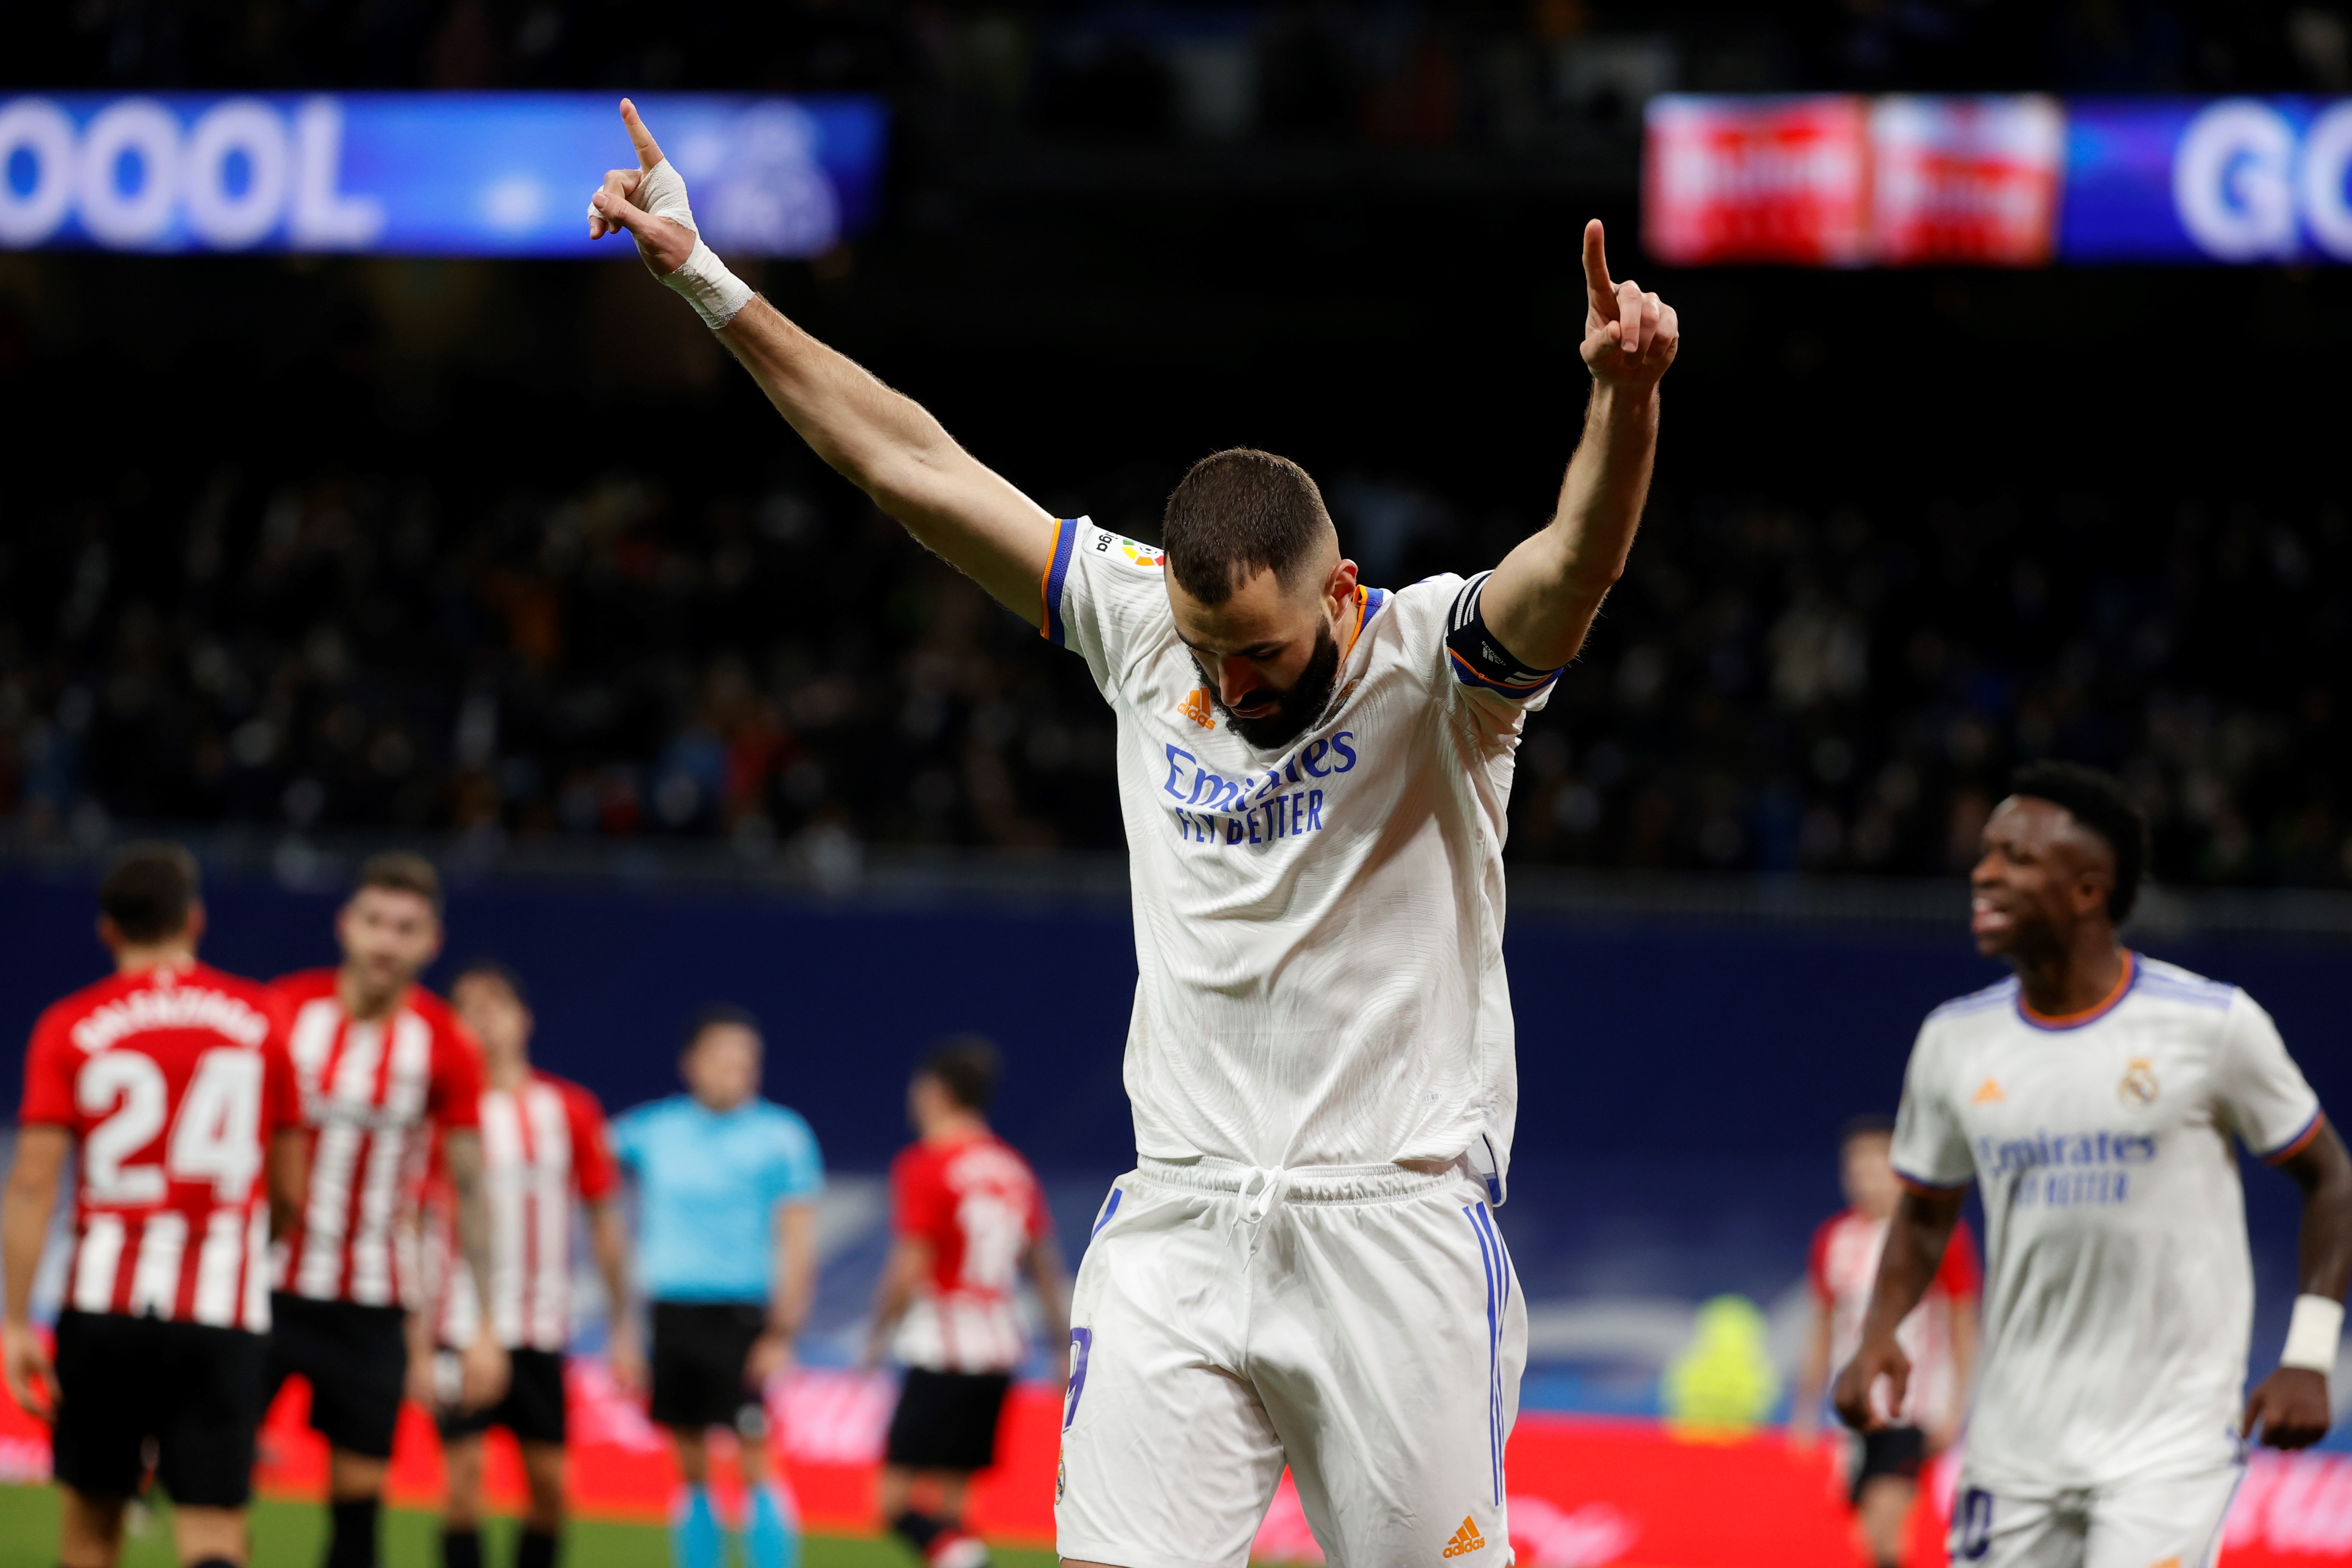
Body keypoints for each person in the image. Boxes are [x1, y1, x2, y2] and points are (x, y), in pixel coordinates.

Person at [588, 91, 1678, 1566]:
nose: (1229, 688)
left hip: (1394, 1229)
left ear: (1341, 593)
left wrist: (1623, 403)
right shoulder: (1134, 619)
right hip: (1179, 1219)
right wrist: (707, 281)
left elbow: (1571, 564)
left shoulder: (1438, 670)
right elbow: (907, 461)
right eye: (1205, 652)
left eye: (1267, 657)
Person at [1834, 762, 2352, 1568]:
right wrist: (1876, 1331)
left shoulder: (2210, 1025)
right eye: (1985, 852)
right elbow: (1925, 1210)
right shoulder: (1953, 1041)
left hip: (2168, 1440)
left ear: (2086, 889)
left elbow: (2330, 1175)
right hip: (2015, 1439)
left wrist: (2310, 1353)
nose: (1984, 872)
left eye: (2016, 856)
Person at [1, 842, 307, 1568]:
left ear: (108, 929)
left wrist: (16, 1320)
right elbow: (291, 1188)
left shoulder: (71, 1024)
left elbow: (32, 1185)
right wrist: (245, 1254)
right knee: (213, 1531)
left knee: (92, 1530)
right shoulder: (261, 1020)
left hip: (104, 1307)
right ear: (194, 920)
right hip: (222, 1310)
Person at [264, 851, 509, 1568]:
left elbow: (469, 1188)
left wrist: (486, 1324)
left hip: (371, 1300)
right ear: (345, 924)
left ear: (430, 942)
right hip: (263, 1286)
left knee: (357, 1505)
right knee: (216, 1495)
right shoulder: (283, 1010)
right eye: (374, 921)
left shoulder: (444, 1044)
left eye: (405, 928)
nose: (385, 941)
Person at [420, 959, 641, 1568]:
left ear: (526, 1019)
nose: (485, 1019)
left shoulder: (568, 1110)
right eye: (469, 1007)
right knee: (461, 1487)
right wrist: (416, 1341)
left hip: (542, 1330)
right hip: (460, 1326)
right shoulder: (436, 1116)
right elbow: (415, 1226)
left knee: (552, 1492)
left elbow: (604, 1222)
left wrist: (623, 1327)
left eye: (498, 1004)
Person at [609, 1007, 824, 1568]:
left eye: (746, 1058)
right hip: (672, 1312)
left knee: (756, 1457)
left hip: (745, 1316)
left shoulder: (782, 1136)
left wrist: (782, 1331)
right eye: (723, 1055)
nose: (737, 1068)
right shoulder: (651, 1131)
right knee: (688, 1460)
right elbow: (585, 1161)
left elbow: (799, 1243)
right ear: (691, 1063)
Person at [866, 1038, 1069, 1568]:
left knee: (891, 1502)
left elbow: (910, 1263)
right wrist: (1061, 1344)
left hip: (942, 1346)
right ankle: (964, 1555)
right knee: (953, 1509)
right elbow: (1045, 1265)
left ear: (935, 1092)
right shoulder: (1012, 1169)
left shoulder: (927, 1164)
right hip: (1001, 1349)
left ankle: (971, 1562)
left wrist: (877, 1333)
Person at [1792, 1114, 1979, 1568]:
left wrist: (1957, 1405)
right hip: (1854, 1407)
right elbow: (1822, 1327)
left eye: (1876, 1167)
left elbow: (1962, 1324)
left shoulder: (1937, 1236)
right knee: (1866, 1532)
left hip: (1912, 1405)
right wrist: (1805, 1408)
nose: (1864, 1180)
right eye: (1855, 1169)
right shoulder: (1832, 1240)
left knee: (1886, 1515)